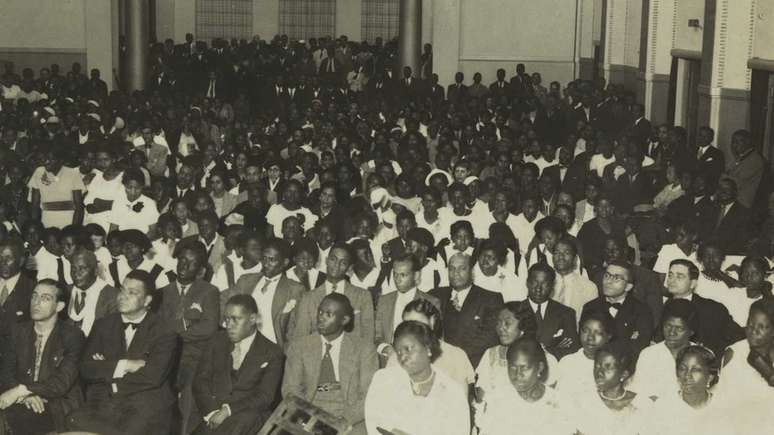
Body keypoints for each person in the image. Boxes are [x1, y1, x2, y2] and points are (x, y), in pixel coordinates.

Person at [67, 270, 179, 434]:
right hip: (105, 403)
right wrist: (124, 365)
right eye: (122, 289)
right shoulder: (103, 324)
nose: (122, 296)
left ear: (147, 300)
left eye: (132, 292)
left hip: (145, 404)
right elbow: (85, 368)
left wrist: (107, 370)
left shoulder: (165, 331)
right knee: (72, 419)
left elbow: (153, 377)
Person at [282, 293, 377, 435]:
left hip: (348, 414)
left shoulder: (364, 349)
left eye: (328, 314)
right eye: (320, 311)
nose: (321, 317)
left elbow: (369, 395)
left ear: (344, 319)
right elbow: (290, 389)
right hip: (308, 409)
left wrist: (345, 420)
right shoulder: (299, 346)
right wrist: (312, 420)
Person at [0, 279, 85, 434]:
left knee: (11, 419)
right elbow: (6, 373)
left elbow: (60, 383)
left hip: (57, 404)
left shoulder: (73, 336)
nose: (36, 303)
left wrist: (22, 390)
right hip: (22, 400)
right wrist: (24, 396)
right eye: (34, 296)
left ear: (59, 306)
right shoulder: (17, 331)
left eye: (45, 298)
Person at [192, 294, 284, 434]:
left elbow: (265, 396)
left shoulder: (273, 352)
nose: (229, 326)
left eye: (236, 320)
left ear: (253, 319)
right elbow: (200, 381)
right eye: (227, 319)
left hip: (247, 418)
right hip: (211, 414)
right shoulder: (216, 340)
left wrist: (228, 411)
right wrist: (212, 412)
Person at [365, 321, 470, 435]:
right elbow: (375, 424)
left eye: (408, 349)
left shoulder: (452, 391)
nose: (403, 357)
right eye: (398, 352)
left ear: (428, 349)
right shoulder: (384, 380)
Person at [158, 239, 220, 433]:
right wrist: (189, 323)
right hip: (164, 356)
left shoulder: (209, 291)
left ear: (200, 269)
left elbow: (209, 327)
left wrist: (174, 330)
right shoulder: (162, 292)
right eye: (182, 260)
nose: (184, 265)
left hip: (193, 357)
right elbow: (154, 328)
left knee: (189, 395)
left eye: (191, 263)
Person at [476, 336, 571, 435]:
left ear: (539, 368)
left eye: (524, 368)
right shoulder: (497, 399)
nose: (518, 374)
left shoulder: (557, 402)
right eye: (513, 367)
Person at [221, 238, 305, 350]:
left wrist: (285, 353)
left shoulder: (295, 289)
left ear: (285, 262)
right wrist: (228, 324)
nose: (265, 264)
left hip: (273, 349)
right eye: (264, 258)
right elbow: (223, 300)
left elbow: (295, 329)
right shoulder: (245, 281)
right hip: (241, 345)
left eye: (272, 260)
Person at [475, 301, 561, 405]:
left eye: (507, 323)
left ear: (523, 326)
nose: (500, 328)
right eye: (498, 322)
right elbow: (481, 398)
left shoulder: (545, 359)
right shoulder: (490, 354)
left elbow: (549, 401)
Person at [288, 242, 375, 343]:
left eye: (343, 263)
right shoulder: (308, 298)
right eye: (333, 259)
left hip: (351, 357)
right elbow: (300, 337)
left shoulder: (363, 297)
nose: (336, 265)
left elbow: (368, 338)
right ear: (326, 260)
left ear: (350, 268)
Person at [429, 252, 504, 366]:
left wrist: (454, 359)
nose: (456, 273)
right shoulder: (435, 295)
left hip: (472, 366)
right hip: (438, 365)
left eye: (462, 269)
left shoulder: (491, 299)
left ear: (471, 271)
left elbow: (489, 338)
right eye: (452, 269)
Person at [663, 259, 744, 356]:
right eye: (670, 275)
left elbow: (738, 337)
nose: (672, 280)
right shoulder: (663, 308)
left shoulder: (713, 309)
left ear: (693, 283)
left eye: (679, 276)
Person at [569, 340, 652, 435]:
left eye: (607, 367)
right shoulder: (585, 401)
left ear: (624, 374)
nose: (599, 372)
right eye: (597, 366)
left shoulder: (642, 404)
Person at [374, 255, 439, 362]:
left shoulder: (431, 303)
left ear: (416, 275)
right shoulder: (384, 301)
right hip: (387, 364)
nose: (397, 280)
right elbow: (376, 336)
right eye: (395, 274)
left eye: (403, 275)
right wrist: (385, 348)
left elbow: (435, 341)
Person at [630, 299, 698, 400]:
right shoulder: (649, 355)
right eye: (668, 326)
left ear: (691, 331)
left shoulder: (701, 355)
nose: (671, 333)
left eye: (679, 329)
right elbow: (640, 393)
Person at [582, 260, 653, 356]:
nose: (609, 281)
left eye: (616, 278)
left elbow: (638, 348)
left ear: (628, 286)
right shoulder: (590, 307)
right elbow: (585, 343)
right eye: (607, 275)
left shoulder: (642, 311)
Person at [715, 298, 774, 404]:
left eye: (761, 327)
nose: (753, 331)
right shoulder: (734, 353)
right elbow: (725, 399)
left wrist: (768, 371)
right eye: (750, 324)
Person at [524, 262, 580, 360]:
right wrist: (553, 348)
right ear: (527, 283)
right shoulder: (514, 311)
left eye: (544, 284)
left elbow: (571, 350)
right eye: (534, 282)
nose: (538, 288)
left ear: (552, 287)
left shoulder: (566, 314)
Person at [557, 309, 615, 397]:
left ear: (608, 337)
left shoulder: (613, 366)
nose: (590, 337)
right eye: (586, 331)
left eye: (598, 333)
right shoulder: (567, 362)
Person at [67, 248, 118, 336]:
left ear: (95, 271)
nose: (76, 274)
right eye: (73, 269)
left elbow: (112, 335)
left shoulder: (112, 296)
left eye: (82, 269)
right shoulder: (66, 291)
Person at [108, 168, 160, 233]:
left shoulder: (150, 203)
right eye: (129, 188)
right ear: (124, 186)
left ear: (142, 186)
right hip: (122, 240)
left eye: (137, 188)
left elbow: (153, 231)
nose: (133, 192)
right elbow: (113, 229)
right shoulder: (118, 202)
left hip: (143, 240)